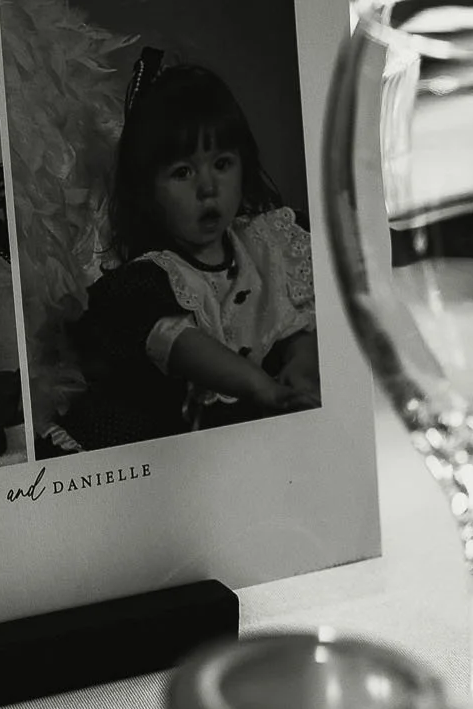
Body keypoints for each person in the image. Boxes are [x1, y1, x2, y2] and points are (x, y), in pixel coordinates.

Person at [62, 57, 321, 449]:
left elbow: (293, 319)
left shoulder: (267, 244)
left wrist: (300, 366)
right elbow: (179, 341)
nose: (208, 188)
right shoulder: (151, 279)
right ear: (147, 193)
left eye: (221, 164)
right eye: (183, 172)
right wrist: (261, 388)